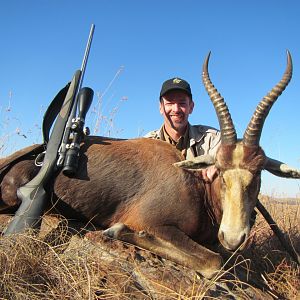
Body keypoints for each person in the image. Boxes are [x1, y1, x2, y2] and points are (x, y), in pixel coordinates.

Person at [145, 77, 221, 182]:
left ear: (191, 107)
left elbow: (225, 157)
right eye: (169, 103)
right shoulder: (147, 143)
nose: (176, 109)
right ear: (161, 108)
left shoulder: (212, 138)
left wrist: (219, 165)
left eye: (182, 103)